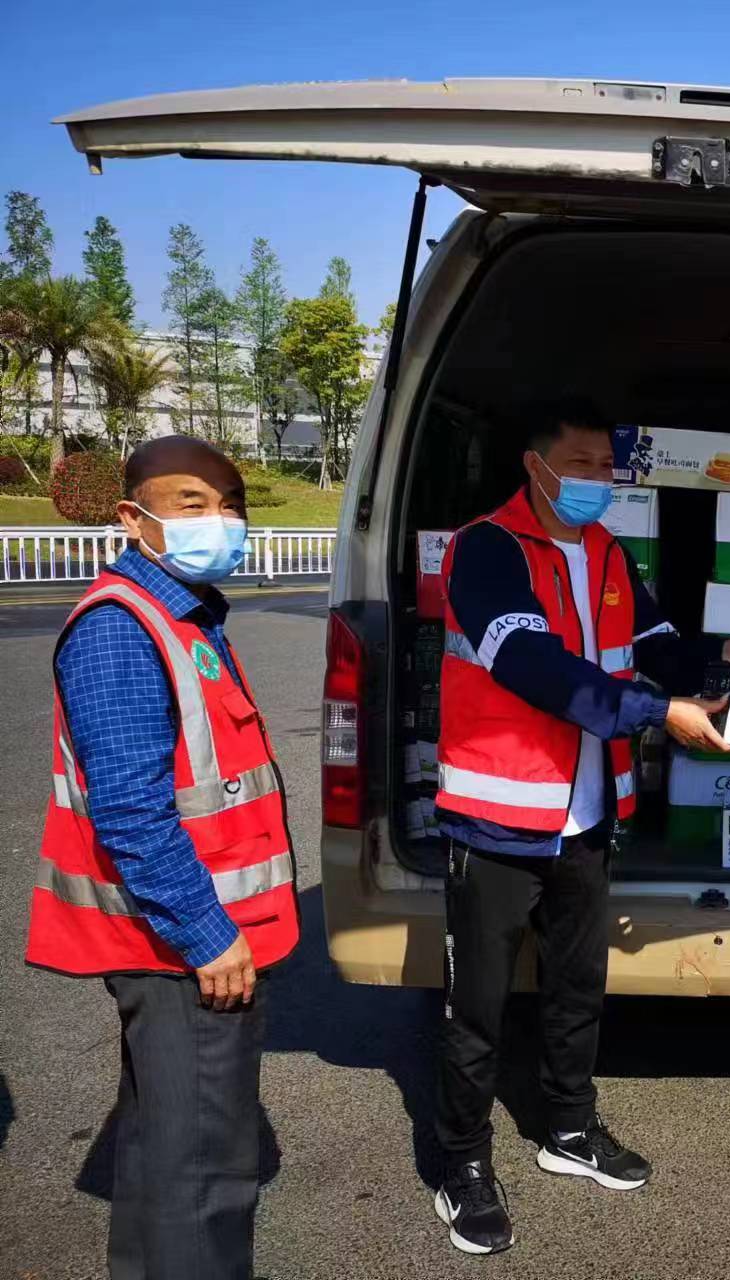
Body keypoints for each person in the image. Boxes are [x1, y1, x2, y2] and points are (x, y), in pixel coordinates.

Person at [429, 400, 730, 1256]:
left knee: (578, 987)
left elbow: (654, 642)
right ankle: (463, 1163)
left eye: (607, 467)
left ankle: (569, 1128)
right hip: (499, 819)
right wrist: (659, 713)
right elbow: (531, 664)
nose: (597, 481)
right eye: (580, 465)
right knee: (478, 1007)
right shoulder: (486, 549)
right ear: (535, 466)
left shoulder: (607, 550)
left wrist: (724, 660)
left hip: (586, 815)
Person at [25, 436, 299, 1279]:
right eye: (192, 503)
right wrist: (207, 935)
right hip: (182, 947)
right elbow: (132, 813)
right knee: (207, 1175)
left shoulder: (184, 614)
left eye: (231, 504)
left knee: (161, 1153)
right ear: (132, 517)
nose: (221, 520)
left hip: (188, 936)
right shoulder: (124, 627)